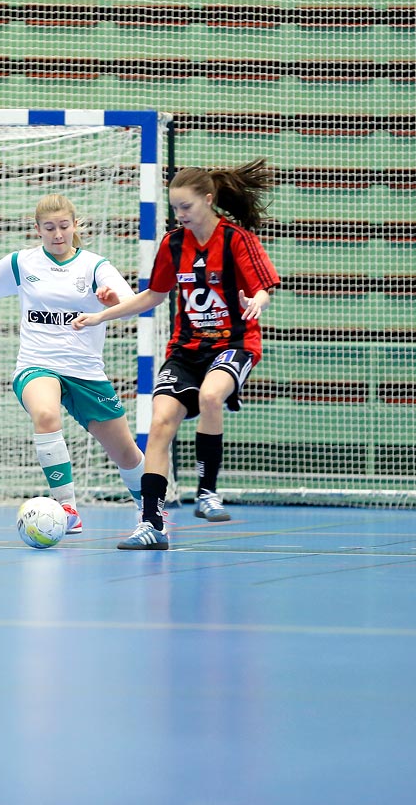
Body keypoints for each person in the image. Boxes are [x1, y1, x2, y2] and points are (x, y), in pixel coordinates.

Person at [74, 159, 280, 551]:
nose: (179, 214)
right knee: (161, 420)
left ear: (207, 199)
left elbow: (264, 287)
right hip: (186, 349)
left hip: (234, 342)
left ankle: (207, 492)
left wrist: (257, 301)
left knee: (210, 396)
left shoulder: (237, 240)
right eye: (174, 208)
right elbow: (154, 295)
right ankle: (151, 522)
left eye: (186, 207)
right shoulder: (174, 244)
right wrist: (102, 314)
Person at [0, 194, 147, 535]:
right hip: (37, 363)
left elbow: (134, 303)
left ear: (74, 225)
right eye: (49, 228)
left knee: (126, 453)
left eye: (63, 226)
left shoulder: (94, 266)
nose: (57, 235)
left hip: (85, 371)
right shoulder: (22, 263)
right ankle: (67, 507)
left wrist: (110, 304)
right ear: (37, 229)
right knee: (45, 415)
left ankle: (150, 508)